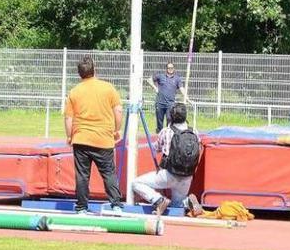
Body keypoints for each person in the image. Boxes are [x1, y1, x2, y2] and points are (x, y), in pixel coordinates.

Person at [64, 55, 123, 214]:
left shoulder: (74, 91)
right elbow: (118, 110)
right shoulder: (108, 88)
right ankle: (116, 204)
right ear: (94, 70)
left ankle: (82, 207)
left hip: (81, 138)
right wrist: (117, 130)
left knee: (82, 175)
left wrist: (69, 136)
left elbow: (68, 117)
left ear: (79, 74)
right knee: (108, 173)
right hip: (103, 138)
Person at [132, 103, 204, 217]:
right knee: (177, 205)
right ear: (185, 116)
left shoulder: (166, 131)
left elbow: (157, 148)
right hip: (187, 176)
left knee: (136, 183)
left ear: (170, 117)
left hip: (168, 174)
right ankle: (187, 201)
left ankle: (158, 200)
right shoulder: (194, 131)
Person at [147, 62, 189, 133]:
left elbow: (181, 89)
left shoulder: (177, 79)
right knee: (159, 122)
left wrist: (186, 97)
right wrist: (155, 88)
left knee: (169, 121)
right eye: (169, 68)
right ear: (166, 69)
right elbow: (149, 80)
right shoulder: (161, 76)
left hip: (170, 104)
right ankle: (160, 136)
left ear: (174, 69)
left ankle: (168, 135)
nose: (170, 69)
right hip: (160, 103)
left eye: (171, 68)